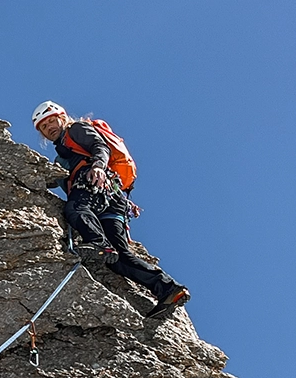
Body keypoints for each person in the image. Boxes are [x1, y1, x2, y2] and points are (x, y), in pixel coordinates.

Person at [31, 101, 190, 318]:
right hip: (112, 199)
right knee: (119, 258)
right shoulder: (61, 156)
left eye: (51, 120)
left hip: (94, 184)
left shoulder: (75, 130)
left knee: (76, 210)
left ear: (63, 117)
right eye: (43, 126)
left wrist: (97, 166)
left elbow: (100, 146)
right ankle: (169, 290)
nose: (49, 127)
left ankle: (98, 243)